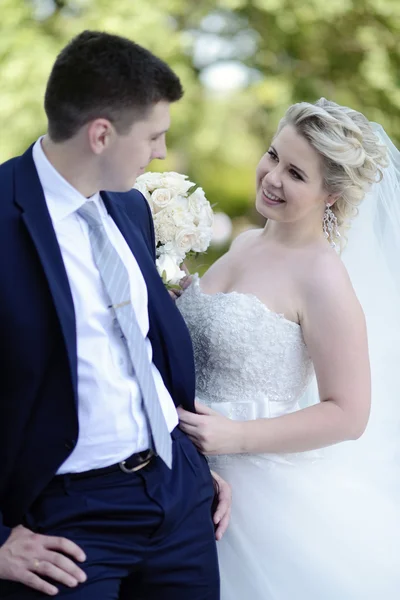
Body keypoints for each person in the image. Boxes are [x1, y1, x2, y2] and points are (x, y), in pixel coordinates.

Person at [0, 30, 231, 599]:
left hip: (180, 501)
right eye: (154, 136)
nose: (159, 152)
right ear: (101, 134)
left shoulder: (130, 206)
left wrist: (186, 463)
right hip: (65, 525)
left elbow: (143, 349)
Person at [177, 98, 400, 599]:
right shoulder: (243, 243)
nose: (272, 177)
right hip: (190, 470)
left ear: (331, 196)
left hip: (256, 493)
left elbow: (349, 413)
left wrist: (234, 437)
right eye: (273, 155)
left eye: (296, 173)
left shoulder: (323, 277)